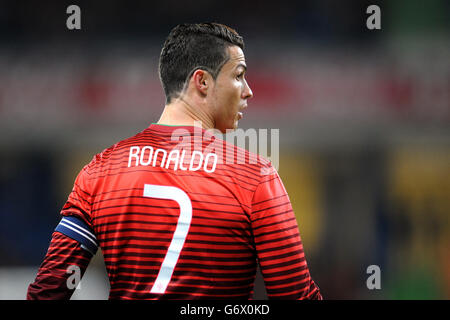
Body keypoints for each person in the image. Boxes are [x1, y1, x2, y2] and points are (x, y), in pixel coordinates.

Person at [27, 22, 322, 300]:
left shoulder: (101, 171)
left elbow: (49, 290)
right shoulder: (254, 177)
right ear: (202, 81)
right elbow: (294, 294)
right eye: (239, 75)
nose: (248, 91)